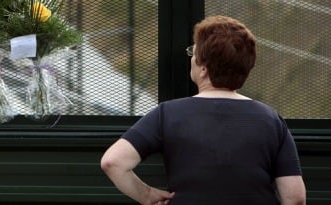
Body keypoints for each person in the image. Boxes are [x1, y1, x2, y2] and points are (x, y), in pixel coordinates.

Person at [100, 15, 306, 205]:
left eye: (193, 52)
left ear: (204, 69)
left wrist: (146, 195)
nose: (191, 58)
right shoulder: (270, 120)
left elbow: (113, 162)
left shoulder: (168, 114)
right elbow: (295, 196)